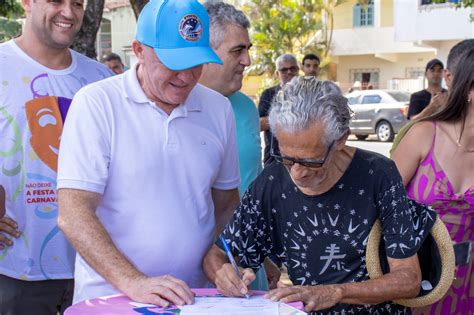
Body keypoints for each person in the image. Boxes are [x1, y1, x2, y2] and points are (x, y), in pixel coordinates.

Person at [56, 0, 240, 307]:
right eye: (173, 63)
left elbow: (226, 205)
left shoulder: (218, 109)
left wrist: (221, 256)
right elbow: (74, 214)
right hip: (111, 297)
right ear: (139, 50)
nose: (185, 77)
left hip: (194, 299)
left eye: (195, 63)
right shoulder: (97, 104)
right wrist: (134, 282)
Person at [204, 76, 435, 314]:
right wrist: (223, 273)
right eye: (286, 158)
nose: (297, 172)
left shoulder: (378, 174)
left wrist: (336, 292)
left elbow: (408, 279)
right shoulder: (273, 181)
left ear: (341, 140)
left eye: (311, 161)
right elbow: (218, 254)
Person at [0, 0, 112, 313]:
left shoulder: (101, 79)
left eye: (77, 3)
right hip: (14, 269)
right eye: (56, 1)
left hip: (95, 270)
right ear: (26, 2)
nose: (68, 12)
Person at [391, 48, 474, 315]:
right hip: (417, 278)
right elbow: (380, 206)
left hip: (469, 283)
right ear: (470, 90)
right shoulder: (424, 135)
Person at [390, 39, 474, 154]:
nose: (436, 74)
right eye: (432, 70)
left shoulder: (449, 96)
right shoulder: (417, 97)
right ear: (448, 76)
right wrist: (431, 108)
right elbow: (412, 121)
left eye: (439, 70)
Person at [259, 54, 299, 167]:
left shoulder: (308, 94)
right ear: (277, 74)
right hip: (274, 158)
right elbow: (260, 124)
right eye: (284, 70)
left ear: (298, 70)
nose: (289, 72)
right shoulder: (269, 94)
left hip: (303, 159)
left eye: (293, 68)